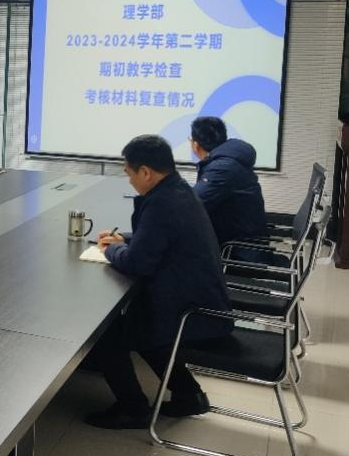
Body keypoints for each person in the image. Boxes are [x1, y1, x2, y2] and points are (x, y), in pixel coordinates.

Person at [84, 134, 233, 429]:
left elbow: (138, 263)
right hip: (202, 297)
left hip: (192, 311)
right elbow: (158, 237)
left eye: (129, 173)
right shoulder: (177, 190)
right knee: (139, 325)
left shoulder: (162, 203)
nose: (129, 181)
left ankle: (133, 409)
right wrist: (125, 239)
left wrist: (110, 250)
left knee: (108, 333)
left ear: (146, 172)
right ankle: (189, 395)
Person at [190, 116, 267, 246]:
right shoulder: (227, 161)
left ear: (195, 145)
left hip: (237, 247)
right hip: (237, 237)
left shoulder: (223, 168)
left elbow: (193, 204)